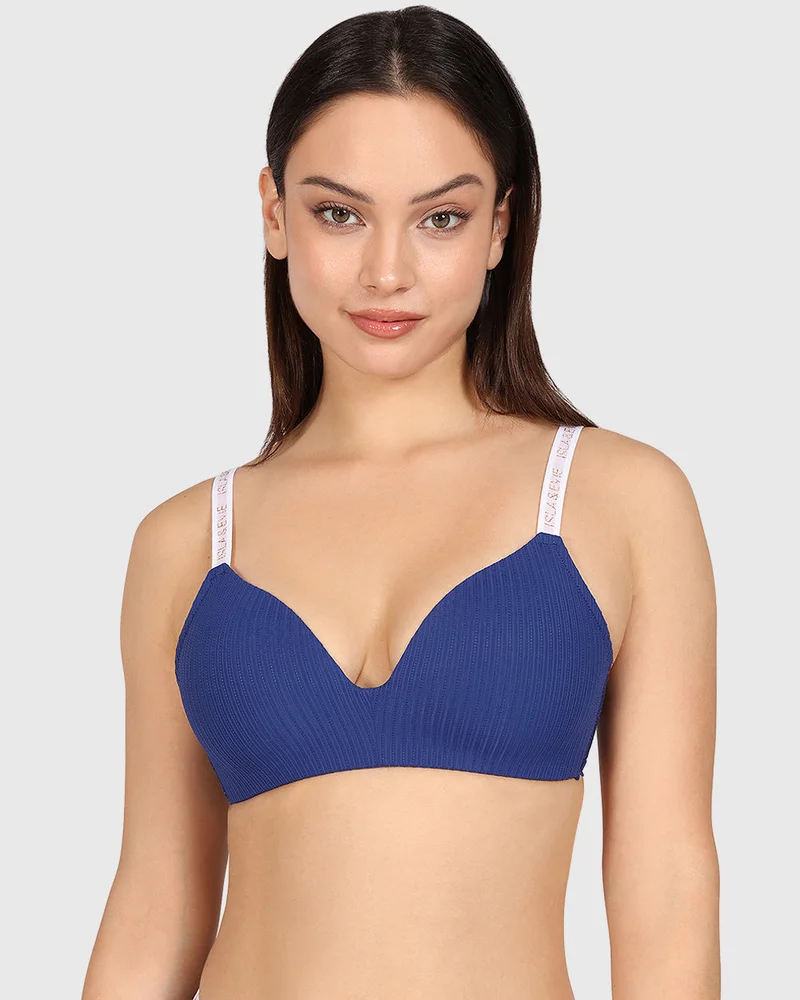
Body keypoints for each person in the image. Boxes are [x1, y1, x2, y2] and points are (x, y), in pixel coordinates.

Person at [82, 6, 720, 998]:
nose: (387, 271)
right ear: (274, 213)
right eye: (339, 213)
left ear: (500, 225)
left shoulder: (617, 500)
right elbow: (152, 907)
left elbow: (666, 891)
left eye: (440, 218)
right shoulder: (185, 542)